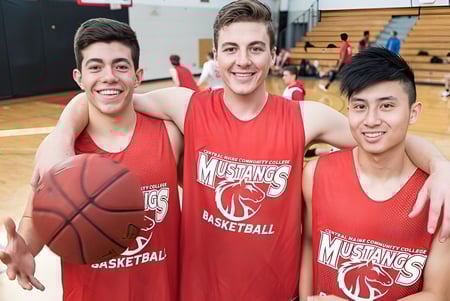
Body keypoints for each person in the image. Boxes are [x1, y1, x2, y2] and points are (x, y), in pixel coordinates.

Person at [23, 0, 450, 299]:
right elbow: (109, 92)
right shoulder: (185, 105)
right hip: (197, 293)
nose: (242, 60)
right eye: (231, 49)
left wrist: (440, 165)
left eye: (255, 48)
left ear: (272, 55)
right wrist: (62, 134)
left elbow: (378, 131)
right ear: (217, 54)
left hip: (275, 291)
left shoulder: (305, 118)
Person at [0, 18, 183, 301]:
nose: (109, 76)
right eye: (95, 67)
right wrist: (24, 246)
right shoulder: (60, 150)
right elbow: (34, 216)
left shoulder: (170, 136)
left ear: (138, 75)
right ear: (79, 77)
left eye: (121, 66)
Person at [300, 48, 450, 300]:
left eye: (387, 106)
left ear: (413, 112)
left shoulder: (439, 192)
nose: (371, 120)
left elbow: (438, 294)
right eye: (360, 106)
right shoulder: (315, 175)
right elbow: (307, 245)